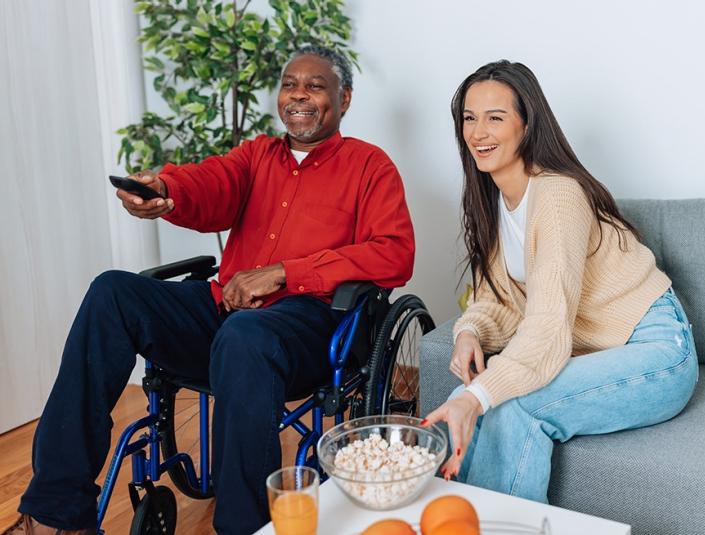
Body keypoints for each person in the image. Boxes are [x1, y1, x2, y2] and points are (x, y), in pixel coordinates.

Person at [5, 45, 415, 535]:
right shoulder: (257, 156)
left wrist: (285, 271)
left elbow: (394, 253)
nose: (299, 95)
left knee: (246, 336)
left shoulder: (371, 167)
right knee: (112, 291)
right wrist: (165, 189)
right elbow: (209, 184)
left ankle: (243, 528)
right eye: (289, 84)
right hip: (227, 313)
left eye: (315, 85)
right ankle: (57, 512)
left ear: (344, 99)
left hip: (306, 327)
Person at [422, 60, 699, 503]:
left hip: (658, 351)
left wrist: (479, 395)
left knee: (508, 402)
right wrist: (470, 330)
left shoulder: (558, 194)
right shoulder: (494, 200)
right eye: (469, 118)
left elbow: (549, 325)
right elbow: (499, 298)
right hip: (598, 349)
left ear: (527, 126)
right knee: (471, 394)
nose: (478, 132)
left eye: (496, 117)